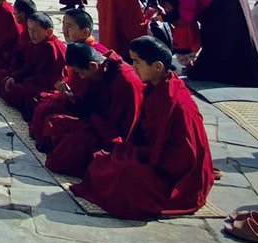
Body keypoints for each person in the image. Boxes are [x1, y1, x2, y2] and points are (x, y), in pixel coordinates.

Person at [71, 36, 216, 219]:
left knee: (124, 175)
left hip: (174, 174)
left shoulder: (176, 101)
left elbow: (185, 154)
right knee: (103, 162)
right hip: (152, 154)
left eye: (138, 62)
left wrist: (142, 155)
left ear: (158, 67)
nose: (134, 67)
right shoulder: (156, 87)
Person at [36, 43, 144, 177]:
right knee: (54, 121)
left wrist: (94, 122)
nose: (82, 77)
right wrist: (72, 98)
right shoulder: (101, 70)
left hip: (111, 133)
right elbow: (91, 103)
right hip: (97, 122)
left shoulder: (126, 82)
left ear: (93, 65)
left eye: (81, 73)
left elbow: (125, 127)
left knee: (73, 143)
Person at [164, 0, 258, 88]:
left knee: (216, 36)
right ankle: (245, 74)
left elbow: (189, 2)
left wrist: (186, 20)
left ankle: (216, 73)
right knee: (235, 34)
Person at [0, 12, 67, 117]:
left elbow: (48, 78)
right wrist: (15, 76)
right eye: (29, 30)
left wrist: (24, 81)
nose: (32, 34)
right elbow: (28, 67)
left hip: (49, 86)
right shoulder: (35, 43)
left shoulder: (51, 47)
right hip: (35, 80)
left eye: (36, 31)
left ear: (48, 32)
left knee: (26, 94)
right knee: (6, 81)